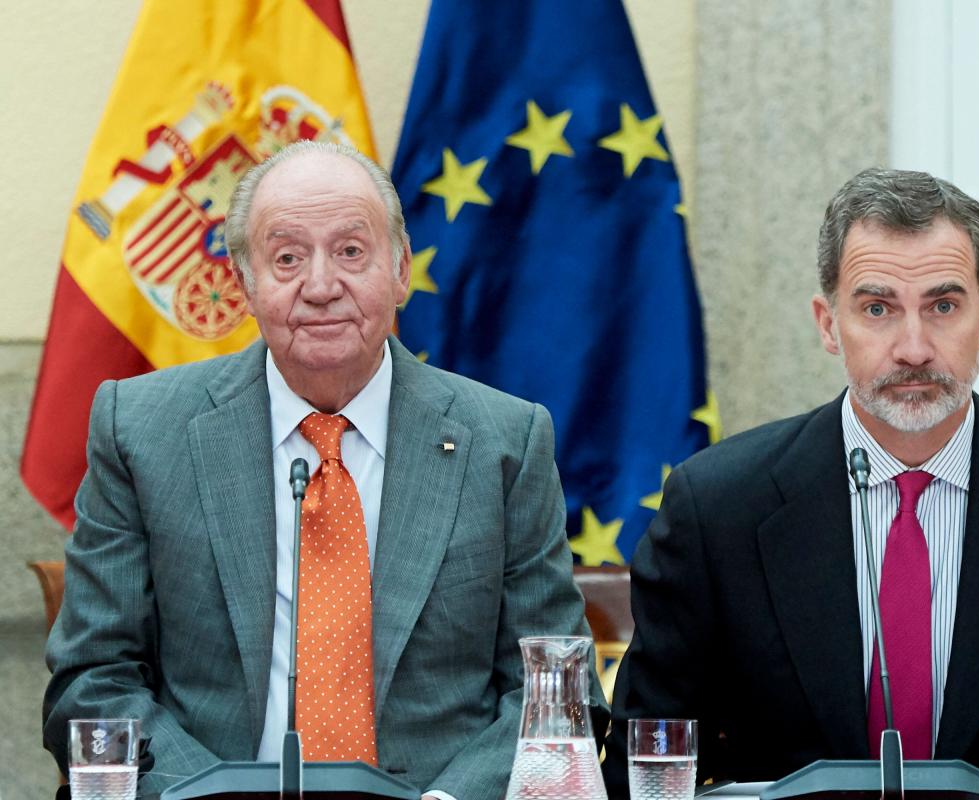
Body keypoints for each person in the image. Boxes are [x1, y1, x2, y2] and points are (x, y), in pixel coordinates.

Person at [601, 168, 979, 798]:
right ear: (828, 325)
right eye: (877, 308)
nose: (913, 348)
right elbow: (644, 770)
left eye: (943, 306)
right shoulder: (718, 508)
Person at [44, 141, 601, 800]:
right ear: (244, 285)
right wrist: (211, 795)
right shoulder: (141, 430)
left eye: (351, 251)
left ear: (401, 270)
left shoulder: (504, 442)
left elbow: (557, 694)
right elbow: (93, 680)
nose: (320, 286)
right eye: (286, 258)